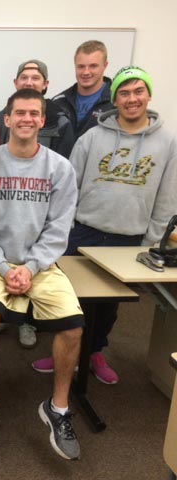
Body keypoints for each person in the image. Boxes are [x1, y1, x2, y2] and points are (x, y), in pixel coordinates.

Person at [32, 66, 177, 384]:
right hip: (85, 230)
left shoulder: (167, 142)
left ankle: (94, 351)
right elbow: (69, 184)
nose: (131, 98)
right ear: (116, 98)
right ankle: (63, 351)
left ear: (148, 95)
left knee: (109, 303)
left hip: (129, 235)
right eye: (124, 92)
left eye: (138, 91)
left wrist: (152, 243)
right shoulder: (93, 136)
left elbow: (167, 197)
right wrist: (64, 227)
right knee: (69, 296)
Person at [0, 89, 83, 460]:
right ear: (8, 118)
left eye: (34, 113)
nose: (27, 119)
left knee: (73, 327)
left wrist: (30, 268)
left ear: (42, 120)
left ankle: (58, 408)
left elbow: (58, 228)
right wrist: (4, 267)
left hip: (42, 265)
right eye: (20, 113)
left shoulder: (60, 169)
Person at [0, 59, 74, 348]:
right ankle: (6, 313)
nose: (29, 81)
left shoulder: (61, 127)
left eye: (35, 77)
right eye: (23, 77)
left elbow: (60, 213)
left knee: (69, 317)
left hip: (39, 227)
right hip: (5, 224)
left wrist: (31, 265)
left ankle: (28, 320)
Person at [52, 40, 113, 143]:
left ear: (105, 65)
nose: (86, 72)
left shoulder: (116, 104)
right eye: (81, 66)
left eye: (93, 66)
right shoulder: (59, 102)